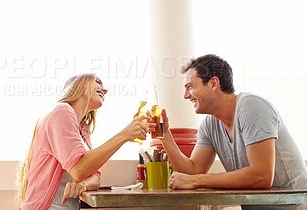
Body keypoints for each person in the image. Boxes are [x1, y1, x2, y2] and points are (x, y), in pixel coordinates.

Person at [160, 54, 307, 210]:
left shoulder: (252, 107)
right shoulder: (209, 125)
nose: (185, 95)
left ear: (213, 83)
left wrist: (196, 181)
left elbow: (262, 176)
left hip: (294, 206)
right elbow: (191, 171)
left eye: (190, 86)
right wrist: (165, 134)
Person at [17, 73, 152, 210]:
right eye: (97, 82)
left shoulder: (82, 129)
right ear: (79, 86)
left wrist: (83, 185)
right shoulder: (61, 111)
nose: (105, 90)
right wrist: (124, 135)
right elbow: (79, 169)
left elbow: (95, 177)